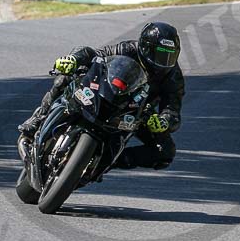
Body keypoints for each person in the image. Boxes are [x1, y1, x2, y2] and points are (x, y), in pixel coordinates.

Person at [18, 22, 185, 170]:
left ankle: (107, 161)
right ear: (145, 47)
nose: (164, 61)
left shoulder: (173, 76)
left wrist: (164, 121)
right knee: (66, 77)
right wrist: (74, 59)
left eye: (170, 55)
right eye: (161, 54)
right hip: (104, 91)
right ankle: (38, 118)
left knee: (165, 151)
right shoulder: (127, 49)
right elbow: (96, 54)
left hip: (136, 112)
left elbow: (173, 109)